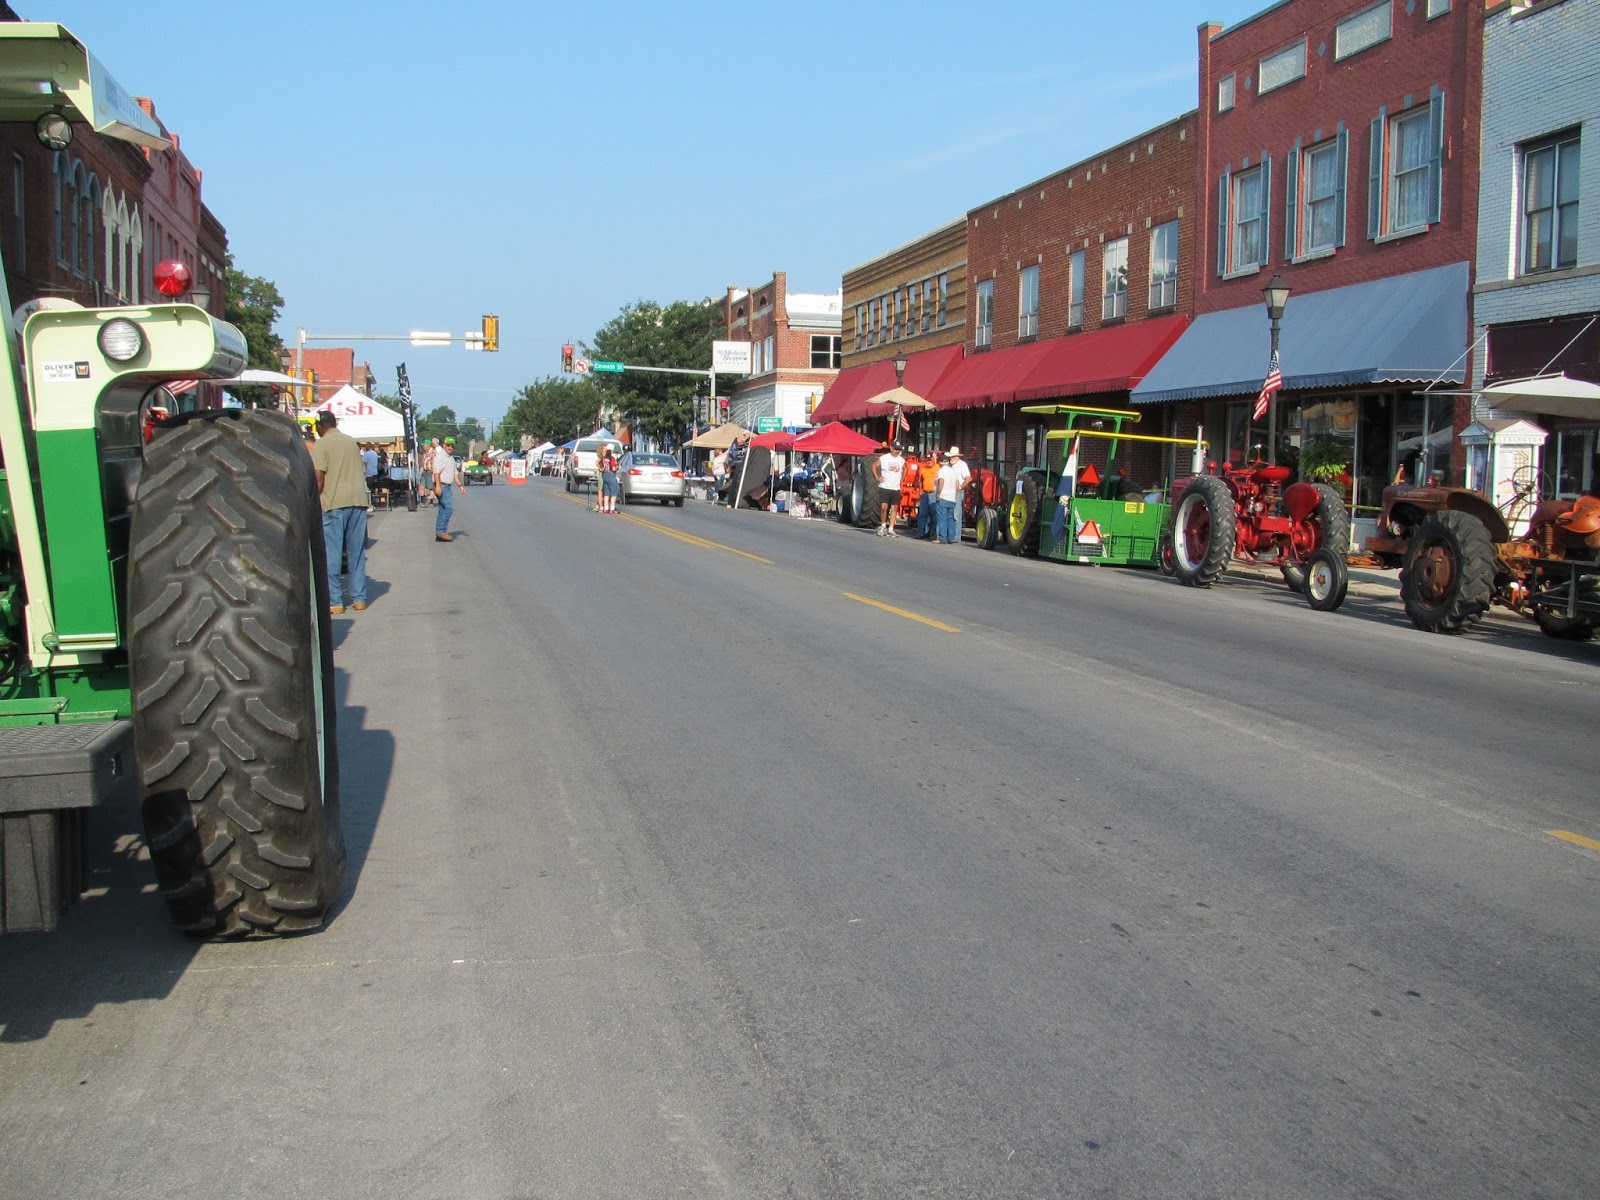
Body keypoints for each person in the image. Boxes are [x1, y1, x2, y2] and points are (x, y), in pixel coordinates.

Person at [310, 410, 370, 612]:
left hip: (334, 502)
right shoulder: (351, 442)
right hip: (358, 501)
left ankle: (336, 602)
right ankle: (359, 599)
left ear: (320, 426)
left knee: (333, 554)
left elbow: (319, 477)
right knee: (357, 553)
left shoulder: (322, 444)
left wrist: (313, 500)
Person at [873, 443, 905, 536]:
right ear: (891, 448)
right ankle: (883, 526)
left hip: (895, 488)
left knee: (894, 508)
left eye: (898, 449)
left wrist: (902, 479)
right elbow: (874, 466)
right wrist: (877, 477)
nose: (897, 451)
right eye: (895, 449)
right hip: (885, 486)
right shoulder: (884, 458)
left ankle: (891, 529)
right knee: (884, 507)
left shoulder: (901, 460)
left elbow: (905, 468)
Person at [433, 436, 461, 541]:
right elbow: (436, 472)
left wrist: (460, 486)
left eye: (452, 446)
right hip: (442, 485)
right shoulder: (441, 457)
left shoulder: (451, 459)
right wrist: (438, 486)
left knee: (443, 508)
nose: (450, 448)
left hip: (447, 486)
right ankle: (441, 531)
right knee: (449, 508)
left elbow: (455, 474)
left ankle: (439, 533)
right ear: (444, 445)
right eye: (448, 445)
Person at [934, 447, 965, 544]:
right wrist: (954, 492)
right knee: (950, 518)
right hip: (952, 498)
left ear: (940, 462)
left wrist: (938, 494)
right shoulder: (953, 471)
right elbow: (957, 484)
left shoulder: (942, 471)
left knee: (942, 518)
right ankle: (951, 538)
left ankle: (942, 538)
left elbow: (941, 482)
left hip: (944, 497)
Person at [915, 450, 941, 539]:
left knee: (934, 515)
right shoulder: (923, 468)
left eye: (931, 460)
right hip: (925, 493)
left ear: (934, 460)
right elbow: (920, 480)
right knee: (922, 514)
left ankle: (934, 533)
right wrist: (921, 490)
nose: (929, 462)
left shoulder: (938, 468)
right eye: (928, 460)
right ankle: (921, 533)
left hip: (934, 494)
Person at [597, 444, 621, 514]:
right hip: (611, 475)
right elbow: (613, 469)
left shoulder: (604, 458)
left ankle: (606, 508)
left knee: (606, 493)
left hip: (605, 474)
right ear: (612, 450)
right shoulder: (612, 458)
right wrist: (618, 466)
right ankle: (612, 508)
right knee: (613, 493)